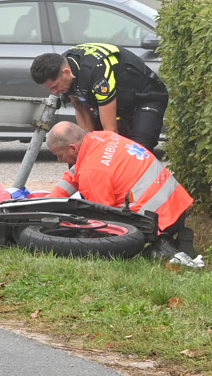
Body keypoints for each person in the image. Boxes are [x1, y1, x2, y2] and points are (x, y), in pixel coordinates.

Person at [44, 120, 195, 257]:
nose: (59, 160)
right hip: (177, 206)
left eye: (59, 155)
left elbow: (101, 217)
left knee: (96, 237)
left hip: (158, 221)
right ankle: (177, 237)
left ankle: (161, 244)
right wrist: (50, 202)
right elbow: (74, 173)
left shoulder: (93, 171)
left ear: (72, 148)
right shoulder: (101, 138)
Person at [30, 42, 169, 150]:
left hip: (146, 96)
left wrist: (104, 153)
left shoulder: (95, 72)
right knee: (85, 148)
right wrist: (89, 145)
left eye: (54, 86)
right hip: (119, 100)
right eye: (49, 89)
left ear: (66, 72)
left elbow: (110, 131)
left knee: (137, 149)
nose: (54, 92)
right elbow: (79, 105)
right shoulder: (64, 71)